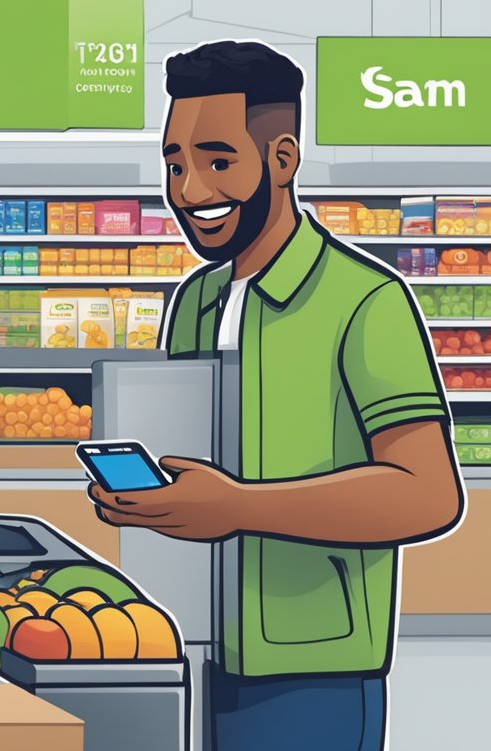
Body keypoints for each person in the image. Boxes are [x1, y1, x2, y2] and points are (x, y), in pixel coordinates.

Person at [88, 41, 465, 751]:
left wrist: (236, 507)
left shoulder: (366, 301)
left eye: (218, 160)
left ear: (283, 160)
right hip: (193, 641)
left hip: (313, 664)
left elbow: (429, 493)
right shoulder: (195, 299)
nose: (190, 190)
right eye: (175, 163)